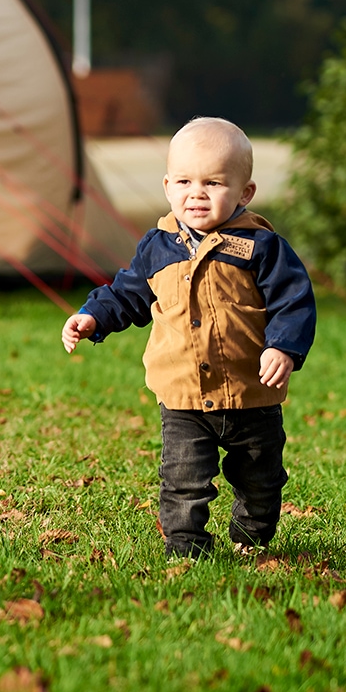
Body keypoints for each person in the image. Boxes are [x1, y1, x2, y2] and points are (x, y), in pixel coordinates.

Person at [61, 117, 316, 559]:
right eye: (184, 181)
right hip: (182, 393)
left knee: (261, 478)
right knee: (183, 477)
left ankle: (251, 535)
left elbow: (294, 300)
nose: (195, 193)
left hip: (251, 394)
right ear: (166, 186)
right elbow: (127, 294)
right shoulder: (158, 247)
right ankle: (186, 548)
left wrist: (283, 347)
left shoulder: (261, 247)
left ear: (245, 192)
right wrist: (92, 317)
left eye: (213, 182)